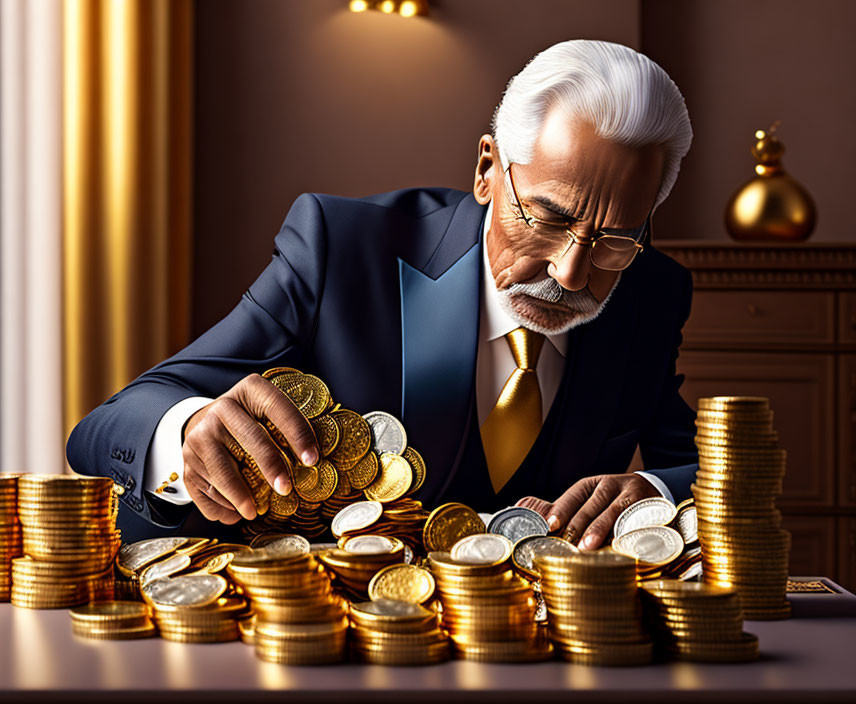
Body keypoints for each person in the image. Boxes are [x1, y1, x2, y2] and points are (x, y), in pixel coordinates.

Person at [67, 39, 699, 545]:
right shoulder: (339, 248)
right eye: (547, 219)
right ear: (487, 171)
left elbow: (712, 472)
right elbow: (106, 426)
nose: (570, 273)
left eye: (615, 237)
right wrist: (187, 430)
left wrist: (654, 490)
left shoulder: (653, 293)